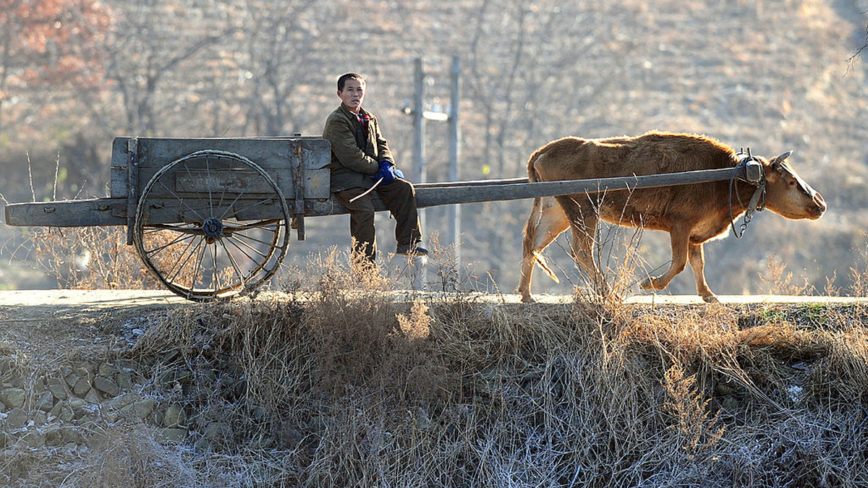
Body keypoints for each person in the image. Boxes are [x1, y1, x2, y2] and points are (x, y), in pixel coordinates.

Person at [322, 72, 427, 264]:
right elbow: (350, 156)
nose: (355, 94)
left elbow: (382, 144)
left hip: (371, 177)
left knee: (404, 189)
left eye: (359, 90)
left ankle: (408, 243)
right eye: (350, 90)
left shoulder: (369, 118)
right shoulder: (337, 120)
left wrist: (388, 163)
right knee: (364, 211)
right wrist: (378, 169)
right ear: (340, 94)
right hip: (347, 180)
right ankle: (365, 270)